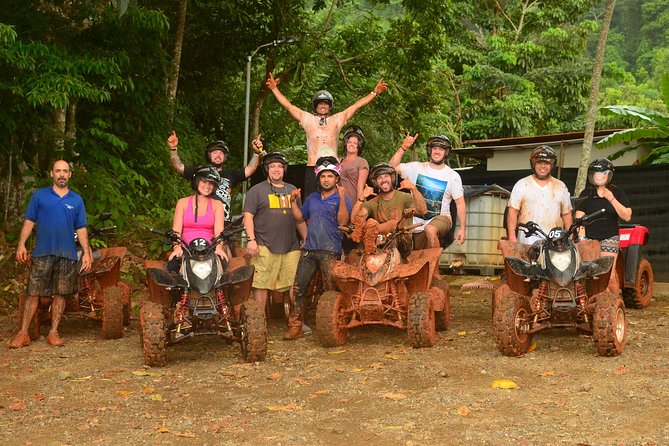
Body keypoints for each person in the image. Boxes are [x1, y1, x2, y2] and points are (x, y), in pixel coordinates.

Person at [10, 160, 92, 348]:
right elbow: (29, 221)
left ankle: (53, 332)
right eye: (58, 171)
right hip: (42, 252)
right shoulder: (40, 196)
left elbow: (81, 228)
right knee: (33, 292)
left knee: (61, 293)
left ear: (70, 174)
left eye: (65, 171)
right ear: (52, 174)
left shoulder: (76, 200)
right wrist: (21, 244)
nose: (61, 174)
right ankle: (23, 333)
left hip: (67, 254)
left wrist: (86, 252)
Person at [265, 73, 388, 196]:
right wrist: (274, 89)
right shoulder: (307, 119)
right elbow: (289, 107)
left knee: (334, 201)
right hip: (313, 166)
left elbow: (355, 106)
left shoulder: (337, 119)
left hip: (332, 166)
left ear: (330, 106)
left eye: (325, 103)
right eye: (320, 103)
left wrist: (374, 93)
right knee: (312, 201)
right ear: (315, 106)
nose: (323, 106)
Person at [283, 157, 351, 340]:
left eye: (330, 176)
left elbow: (343, 222)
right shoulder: (312, 198)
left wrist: (343, 198)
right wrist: (292, 202)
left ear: (337, 178)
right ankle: (295, 326)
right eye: (323, 176)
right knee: (298, 288)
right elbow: (299, 218)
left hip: (331, 250)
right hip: (310, 249)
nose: (326, 179)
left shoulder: (342, 197)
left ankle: (333, 325)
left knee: (330, 290)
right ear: (318, 179)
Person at [243, 152, 307, 309]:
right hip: (263, 245)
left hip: (290, 246)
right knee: (261, 284)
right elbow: (248, 216)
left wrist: (307, 239)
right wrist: (251, 240)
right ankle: (260, 322)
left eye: (280, 166)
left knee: (294, 283)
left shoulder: (292, 190)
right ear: (266, 169)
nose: (276, 170)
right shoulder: (256, 191)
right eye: (272, 167)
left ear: (285, 169)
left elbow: (299, 219)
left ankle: (296, 321)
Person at [389, 133, 466, 249]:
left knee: (430, 229)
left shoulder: (452, 176)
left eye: (441, 149)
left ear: (446, 152)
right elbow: (390, 168)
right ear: (430, 150)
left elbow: (460, 204)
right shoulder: (416, 168)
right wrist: (403, 148)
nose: (437, 152)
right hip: (415, 221)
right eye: (434, 148)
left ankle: (433, 264)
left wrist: (463, 229)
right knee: (414, 256)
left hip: (441, 219)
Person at [167, 131, 263, 222]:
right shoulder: (200, 172)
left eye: (221, 153)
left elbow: (250, 169)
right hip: (201, 220)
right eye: (215, 152)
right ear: (209, 155)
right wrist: (173, 149)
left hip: (223, 222)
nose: (218, 155)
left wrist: (256, 153)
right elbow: (178, 167)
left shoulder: (231, 174)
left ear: (225, 157)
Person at [575, 158, 632, 295]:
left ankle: (615, 303)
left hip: (609, 237)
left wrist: (611, 198)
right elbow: (579, 219)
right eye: (597, 173)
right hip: (589, 239)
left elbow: (627, 216)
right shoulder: (586, 193)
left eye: (604, 173)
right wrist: (582, 238)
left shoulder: (617, 192)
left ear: (609, 176)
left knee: (609, 276)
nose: (600, 176)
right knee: (588, 275)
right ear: (591, 176)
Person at [351, 163, 427, 259]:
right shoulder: (372, 202)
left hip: (402, 242)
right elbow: (354, 219)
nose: (383, 180)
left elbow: (423, 210)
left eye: (386, 176)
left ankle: (373, 229)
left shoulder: (405, 197)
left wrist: (413, 188)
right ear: (375, 182)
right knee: (360, 244)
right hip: (378, 241)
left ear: (393, 178)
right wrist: (361, 198)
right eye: (379, 178)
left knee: (392, 224)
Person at [507, 145, 573, 245]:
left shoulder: (560, 186)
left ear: (552, 165)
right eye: (539, 162)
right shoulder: (521, 184)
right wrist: (512, 237)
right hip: (526, 240)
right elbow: (513, 211)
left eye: (546, 163)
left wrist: (570, 237)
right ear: (533, 164)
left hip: (555, 242)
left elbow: (566, 214)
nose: (543, 166)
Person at [167, 166, 227, 273]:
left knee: (223, 266)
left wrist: (219, 247)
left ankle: (220, 290)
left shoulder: (217, 204)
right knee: (172, 267)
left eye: (211, 183)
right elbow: (176, 231)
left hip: (209, 250)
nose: (207, 186)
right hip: (186, 249)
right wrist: (177, 247)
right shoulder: (183, 203)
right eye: (204, 181)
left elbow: (219, 231)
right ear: (197, 181)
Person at [339, 125, 370, 203]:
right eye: (349, 142)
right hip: (338, 202)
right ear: (345, 144)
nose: (351, 144)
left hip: (353, 201)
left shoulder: (362, 162)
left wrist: (358, 206)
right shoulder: (338, 161)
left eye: (355, 143)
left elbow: (360, 186)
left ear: (359, 146)